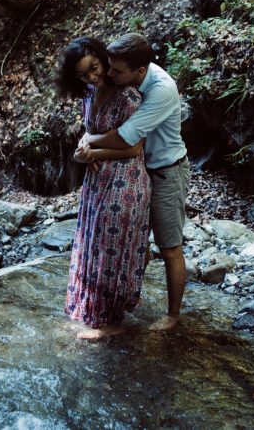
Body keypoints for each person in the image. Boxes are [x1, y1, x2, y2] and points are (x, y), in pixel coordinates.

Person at [77, 33, 190, 331]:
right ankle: (120, 307)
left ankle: (173, 315)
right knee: (132, 245)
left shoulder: (161, 90)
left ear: (140, 71)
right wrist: (86, 142)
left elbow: (127, 136)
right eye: (110, 67)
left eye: (116, 70)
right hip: (136, 173)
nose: (109, 75)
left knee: (169, 248)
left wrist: (89, 143)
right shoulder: (127, 79)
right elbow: (99, 120)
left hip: (166, 172)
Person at [58, 37, 151, 339]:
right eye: (83, 75)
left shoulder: (128, 98)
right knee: (91, 244)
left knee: (111, 249)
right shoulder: (88, 93)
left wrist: (93, 154)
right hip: (97, 182)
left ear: (103, 59)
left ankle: (111, 322)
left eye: (95, 69)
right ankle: (89, 310)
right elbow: (87, 133)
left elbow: (134, 148)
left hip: (126, 181)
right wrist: (80, 153)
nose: (92, 77)